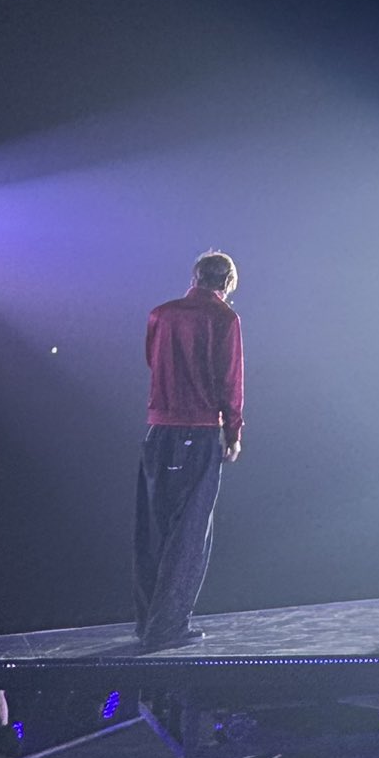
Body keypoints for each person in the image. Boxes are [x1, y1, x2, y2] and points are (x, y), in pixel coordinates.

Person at [134, 251, 243, 651]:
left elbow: (153, 361)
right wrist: (233, 432)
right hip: (198, 432)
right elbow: (230, 381)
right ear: (227, 282)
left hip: (159, 431)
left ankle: (147, 622)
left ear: (195, 277)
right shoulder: (225, 319)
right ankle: (168, 626)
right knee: (190, 533)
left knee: (153, 530)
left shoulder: (161, 314)